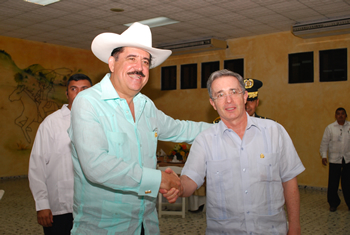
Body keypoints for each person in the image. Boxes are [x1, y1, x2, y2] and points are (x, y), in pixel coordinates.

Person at [67, 22, 212, 234]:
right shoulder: (88, 102)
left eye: (146, 62)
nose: (140, 67)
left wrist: (226, 126)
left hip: (146, 224)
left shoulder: (146, 105)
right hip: (104, 227)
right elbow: (96, 166)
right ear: (112, 63)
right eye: (131, 58)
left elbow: (181, 129)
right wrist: (160, 179)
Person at [164, 69, 305, 234]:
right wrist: (179, 187)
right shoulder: (205, 140)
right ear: (213, 103)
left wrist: (294, 226)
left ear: (244, 96)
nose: (228, 100)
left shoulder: (275, 132)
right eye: (220, 94)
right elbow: (190, 181)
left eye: (233, 92)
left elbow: (289, 181)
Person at [28, 74, 92, 235]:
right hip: (61, 206)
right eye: (73, 89)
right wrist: (42, 205)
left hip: (93, 207)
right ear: (67, 93)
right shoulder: (51, 123)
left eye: (84, 89)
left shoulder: (100, 121)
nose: (79, 93)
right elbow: (37, 166)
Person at [320, 107, 350, 212]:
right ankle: (333, 203)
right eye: (338, 114)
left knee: (348, 183)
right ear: (335, 116)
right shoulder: (330, 128)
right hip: (334, 159)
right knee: (333, 183)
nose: (340, 115)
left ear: (346, 115)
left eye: (342, 113)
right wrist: (324, 155)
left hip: (348, 159)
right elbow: (324, 143)